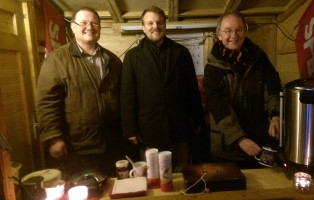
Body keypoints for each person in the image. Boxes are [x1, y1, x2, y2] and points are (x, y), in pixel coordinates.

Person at [36, 6, 124, 179]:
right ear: (73, 27)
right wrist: (54, 137)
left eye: (94, 23)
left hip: (111, 143)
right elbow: (47, 102)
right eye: (83, 23)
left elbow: (122, 98)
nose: (89, 27)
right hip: (77, 147)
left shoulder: (113, 61)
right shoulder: (56, 60)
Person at [120, 6, 204, 172]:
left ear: (165, 25)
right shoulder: (132, 57)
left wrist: (198, 119)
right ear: (143, 27)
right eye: (150, 23)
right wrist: (130, 129)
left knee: (182, 173)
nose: (155, 26)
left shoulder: (181, 53)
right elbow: (127, 95)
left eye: (159, 22)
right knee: (153, 178)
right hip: (149, 131)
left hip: (179, 128)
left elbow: (192, 90)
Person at [203, 11, 282, 169]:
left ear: (245, 31)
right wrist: (240, 138)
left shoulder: (259, 58)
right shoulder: (212, 68)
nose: (234, 35)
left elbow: (273, 86)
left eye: (239, 30)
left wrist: (275, 115)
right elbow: (219, 107)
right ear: (219, 35)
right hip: (227, 148)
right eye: (228, 31)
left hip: (259, 142)